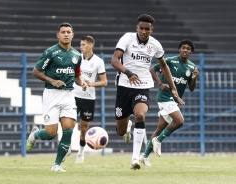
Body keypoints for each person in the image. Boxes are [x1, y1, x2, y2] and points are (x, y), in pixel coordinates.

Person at [111, 14, 184, 170]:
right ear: (137, 28)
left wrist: (173, 88)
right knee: (121, 130)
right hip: (124, 85)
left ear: (152, 30)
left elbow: (164, 66)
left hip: (143, 85)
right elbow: (114, 60)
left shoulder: (155, 45)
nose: (144, 31)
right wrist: (128, 73)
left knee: (140, 115)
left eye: (147, 29)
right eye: (141, 28)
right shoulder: (127, 38)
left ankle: (135, 158)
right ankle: (127, 126)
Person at [26, 22, 87, 172]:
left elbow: (77, 75)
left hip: (68, 95)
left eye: (68, 32)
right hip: (51, 95)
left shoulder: (77, 55)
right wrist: (52, 80)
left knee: (68, 129)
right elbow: (36, 71)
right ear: (58, 35)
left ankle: (56, 165)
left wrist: (82, 83)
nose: (66, 34)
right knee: (51, 133)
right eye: (63, 32)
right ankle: (35, 134)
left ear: (72, 35)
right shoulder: (51, 52)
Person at [142, 39, 199, 166]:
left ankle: (144, 156)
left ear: (191, 52)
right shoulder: (169, 60)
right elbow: (152, 70)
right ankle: (159, 140)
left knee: (160, 128)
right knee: (179, 121)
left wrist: (194, 78)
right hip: (164, 97)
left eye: (188, 48)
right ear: (179, 49)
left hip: (174, 100)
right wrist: (160, 83)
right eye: (183, 47)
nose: (185, 50)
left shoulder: (191, 67)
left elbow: (191, 88)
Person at [73, 35, 108, 163]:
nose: (81, 47)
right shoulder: (76, 58)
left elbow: (104, 82)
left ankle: (81, 152)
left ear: (91, 45)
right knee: (69, 124)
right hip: (74, 96)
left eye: (83, 45)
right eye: (80, 45)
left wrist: (91, 84)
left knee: (84, 127)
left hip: (88, 98)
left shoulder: (98, 61)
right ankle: (66, 149)